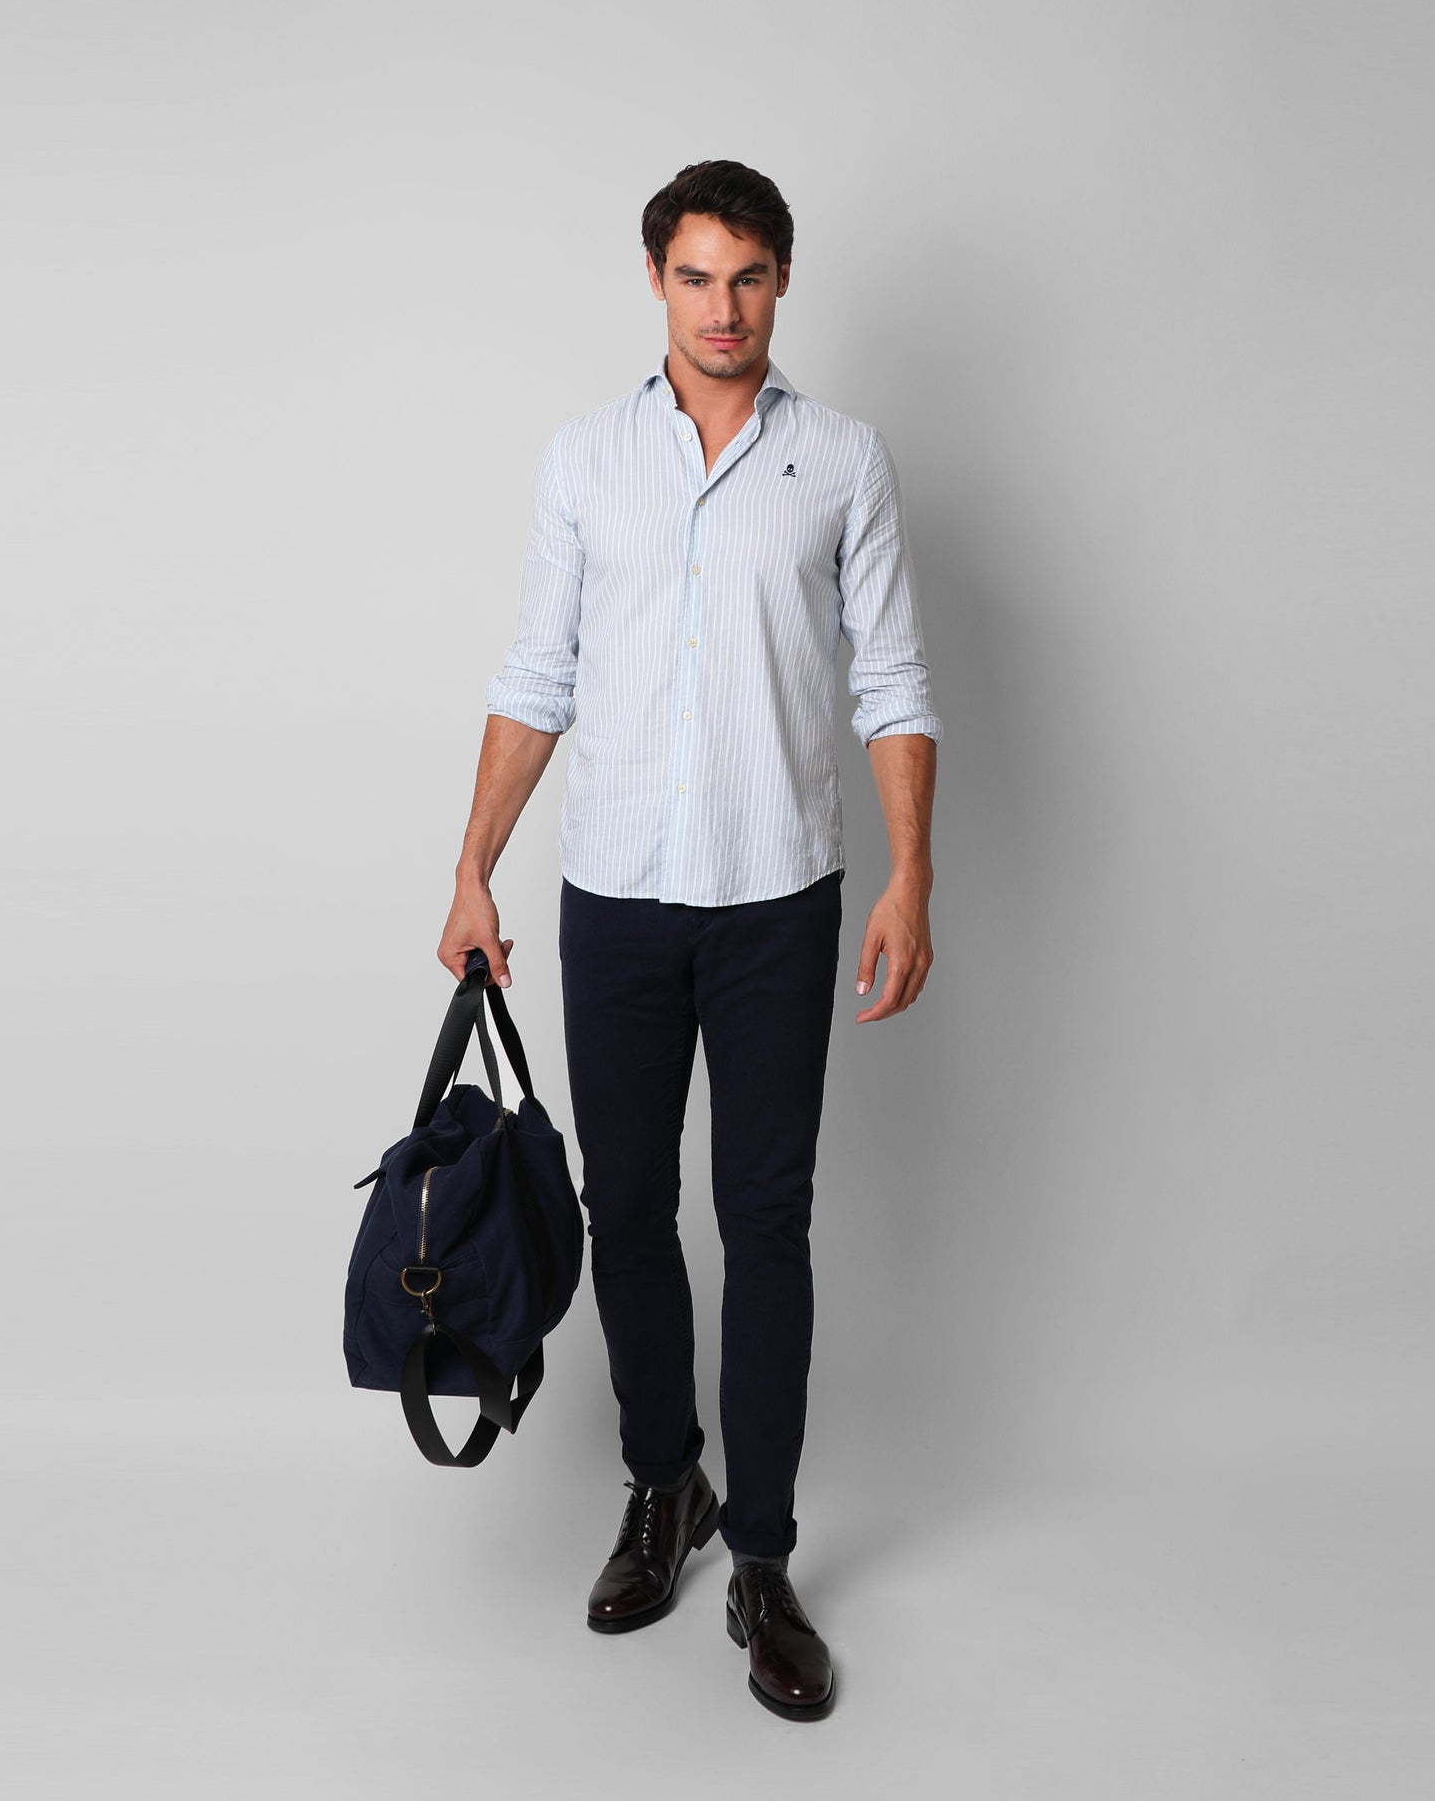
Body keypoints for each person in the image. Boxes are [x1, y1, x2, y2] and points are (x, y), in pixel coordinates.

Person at [437, 159, 942, 1721]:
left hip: (781, 897)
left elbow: (892, 681)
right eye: (695, 277)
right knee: (627, 1206)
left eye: (749, 278)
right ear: (655, 279)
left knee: (766, 1218)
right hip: (616, 897)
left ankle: (764, 1562)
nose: (723, 309)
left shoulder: (841, 459)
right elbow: (539, 673)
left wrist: (910, 879)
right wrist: (471, 868)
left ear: (781, 282)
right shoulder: (584, 459)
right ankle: (665, 1484)